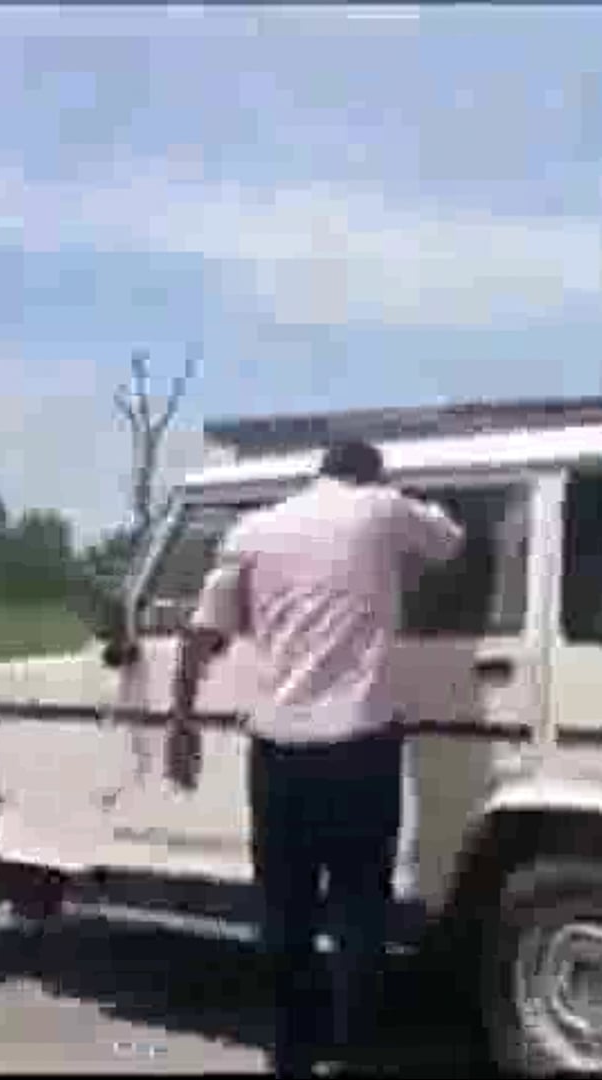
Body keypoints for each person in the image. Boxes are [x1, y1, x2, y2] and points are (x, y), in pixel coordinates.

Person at [167, 438, 463, 1078]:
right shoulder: (383, 509)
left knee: (284, 910)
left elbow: (202, 633)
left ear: (319, 473)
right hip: (360, 747)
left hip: (278, 750)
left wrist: (181, 723)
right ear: (372, 476)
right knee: (358, 909)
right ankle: (355, 1049)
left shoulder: (256, 529)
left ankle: (291, 1054)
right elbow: (449, 542)